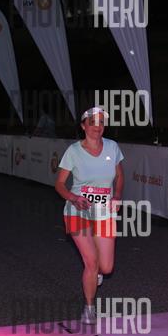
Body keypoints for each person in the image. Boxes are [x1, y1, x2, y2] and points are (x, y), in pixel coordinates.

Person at [54, 107, 124, 324]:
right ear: (83, 126)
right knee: (91, 262)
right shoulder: (73, 151)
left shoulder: (112, 147)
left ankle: (96, 274)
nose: (97, 127)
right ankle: (89, 308)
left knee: (106, 267)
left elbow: (120, 177)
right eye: (92, 122)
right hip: (79, 211)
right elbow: (59, 184)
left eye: (101, 122)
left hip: (104, 213)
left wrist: (117, 196)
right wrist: (74, 198)